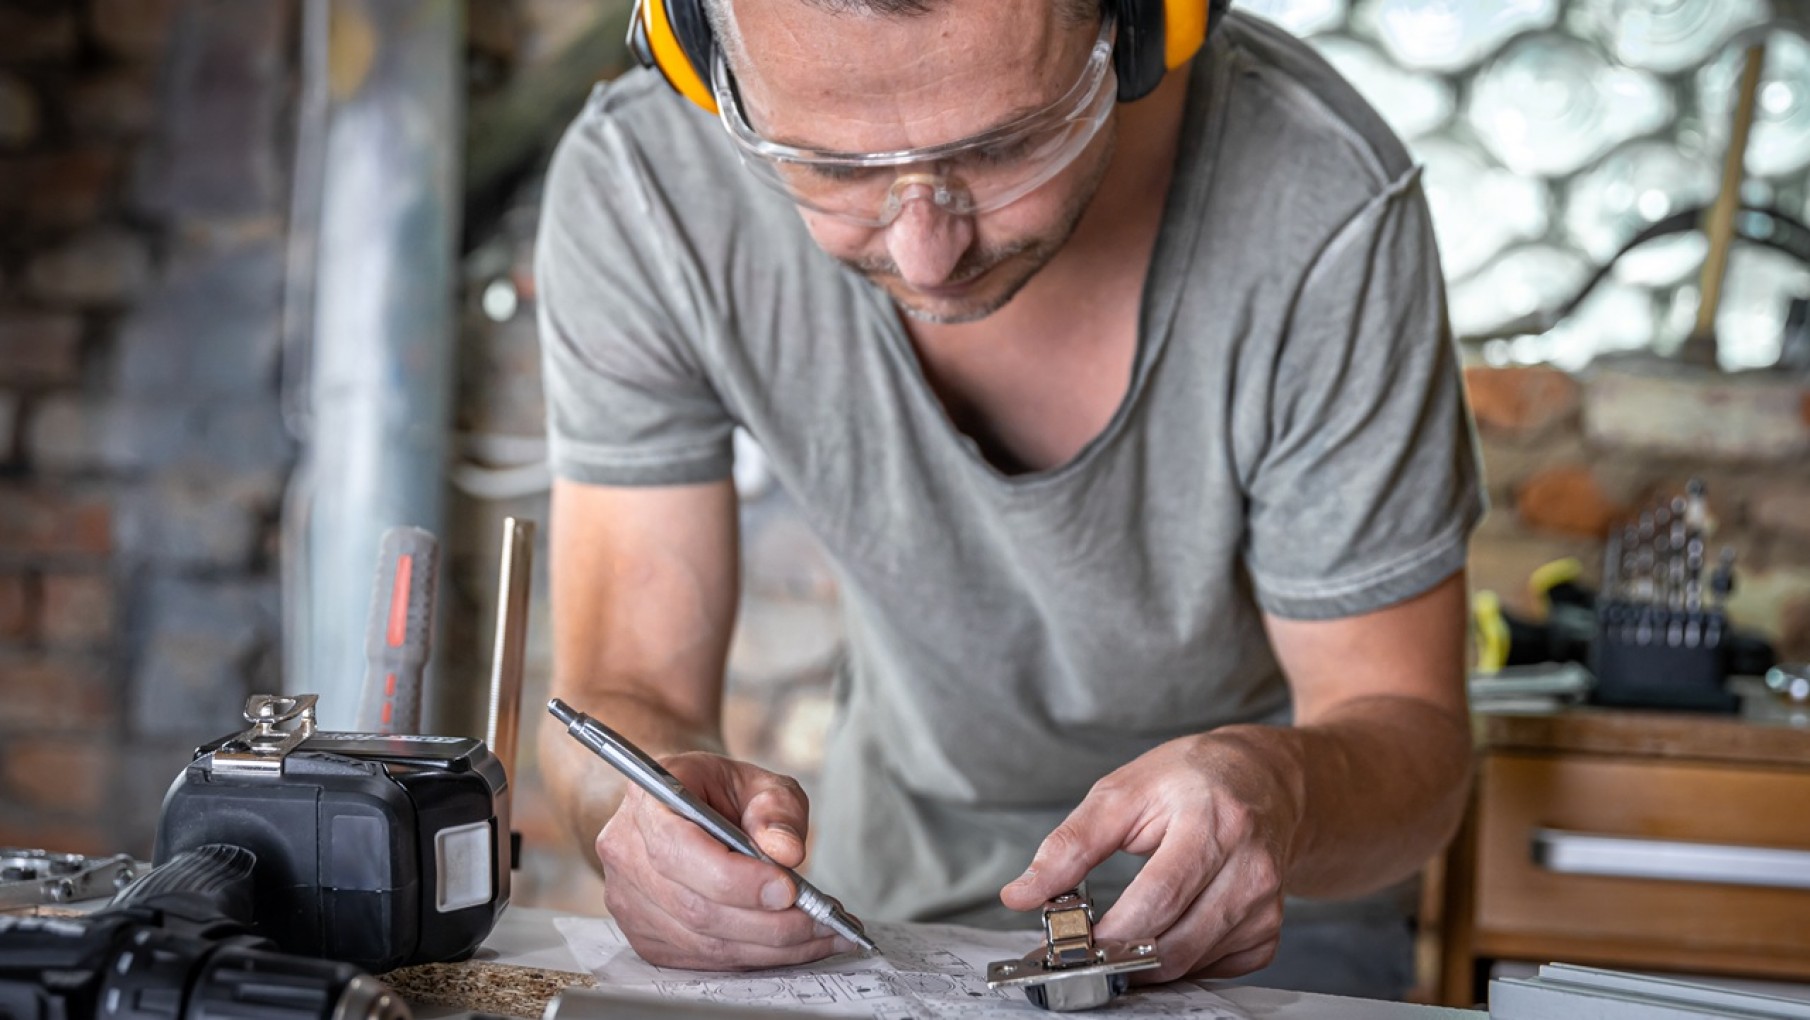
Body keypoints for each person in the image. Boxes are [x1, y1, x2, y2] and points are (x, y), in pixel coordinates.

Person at [535, 0, 1485, 999]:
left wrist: (1281, 795)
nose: (923, 255)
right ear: (702, 65)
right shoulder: (646, 192)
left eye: (1003, 150)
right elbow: (621, 686)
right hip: (883, 909)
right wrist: (640, 815)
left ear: (1139, 32)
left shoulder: (1320, 201)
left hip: (1274, 914)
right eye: (828, 166)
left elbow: (1409, 744)